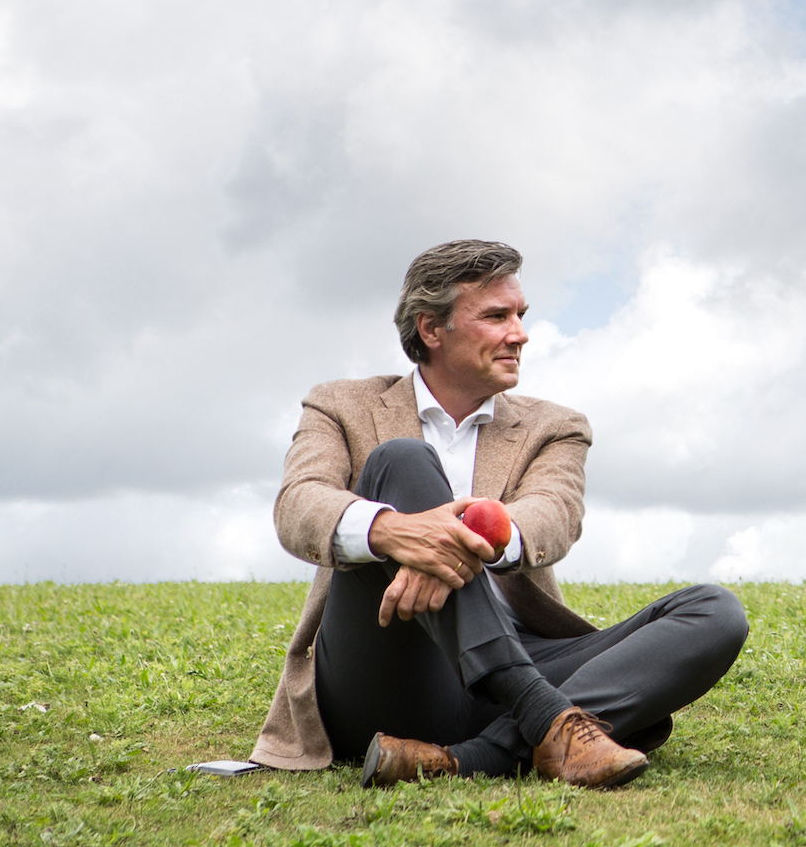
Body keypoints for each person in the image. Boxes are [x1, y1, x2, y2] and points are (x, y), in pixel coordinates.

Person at [250, 239, 749, 788]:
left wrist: (448, 544)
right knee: (402, 460)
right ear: (431, 329)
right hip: (385, 663)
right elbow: (299, 502)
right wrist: (394, 532)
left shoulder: (555, 426)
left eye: (520, 315)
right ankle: (544, 714)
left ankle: (474, 756)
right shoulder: (342, 405)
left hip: (513, 661)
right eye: (496, 316)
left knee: (715, 612)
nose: (520, 333)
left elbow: (552, 513)